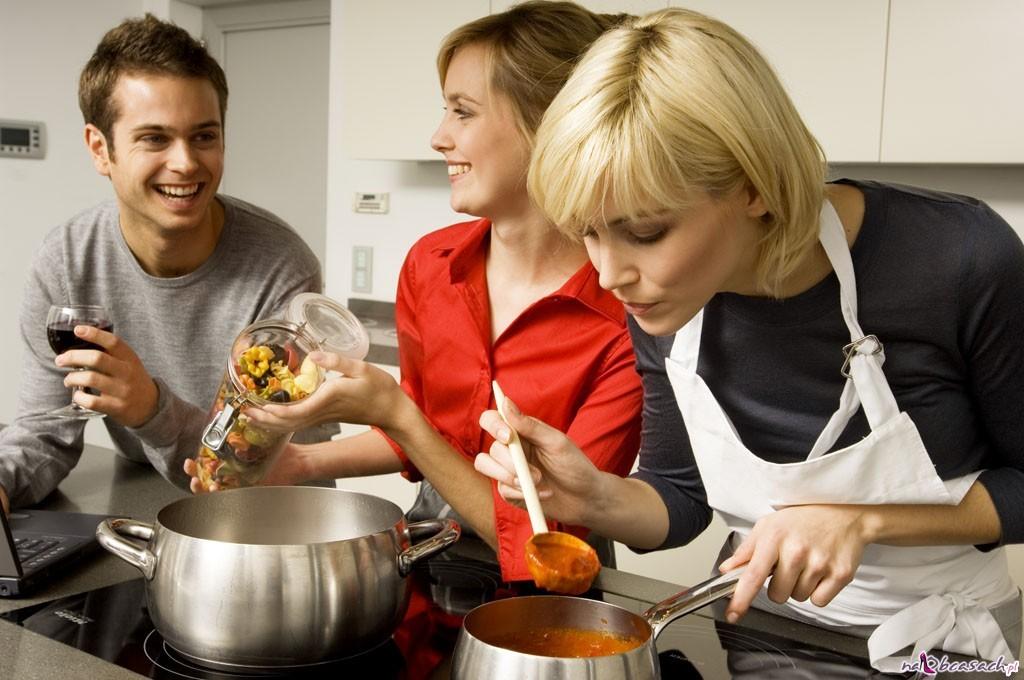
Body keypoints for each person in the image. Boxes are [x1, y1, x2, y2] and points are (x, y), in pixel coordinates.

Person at [474, 8, 1024, 674]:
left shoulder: (957, 259)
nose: (608, 273)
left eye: (644, 233)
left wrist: (863, 521)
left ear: (755, 186)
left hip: (945, 639)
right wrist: (592, 495)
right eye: (587, 233)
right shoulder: (660, 295)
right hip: (756, 632)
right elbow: (678, 502)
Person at [210, 1, 643, 588]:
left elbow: (536, 552)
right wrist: (300, 463)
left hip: (551, 593)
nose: (439, 138)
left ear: (551, 124)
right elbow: (426, 429)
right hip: (427, 554)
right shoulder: (430, 264)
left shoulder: (628, 315)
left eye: (462, 112)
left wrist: (395, 411)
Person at [0, 15, 334, 514]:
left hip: (262, 529)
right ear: (100, 148)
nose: (185, 163)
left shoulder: (280, 267)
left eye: (204, 136)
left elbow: (275, 472)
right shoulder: (67, 259)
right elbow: (44, 431)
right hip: (144, 506)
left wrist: (151, 409)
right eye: (154, 139)